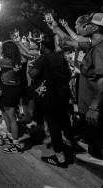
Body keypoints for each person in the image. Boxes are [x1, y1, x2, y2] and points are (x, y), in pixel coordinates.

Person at [29, 35, 75, 168]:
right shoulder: (61, 58)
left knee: (53, 125)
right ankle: (70, 143)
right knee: (64, 120)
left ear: (43, 46)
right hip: (63, 94)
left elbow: (33, 74)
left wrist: (31, 68)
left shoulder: (43, 58)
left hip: (50, 96)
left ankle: (60, 158)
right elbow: (68, 74)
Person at [77, 13, 103, 183]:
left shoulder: (102, 47)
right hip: (102, 109)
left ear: (95, 27)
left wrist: (94, 107)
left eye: (87, 24)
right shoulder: (96, 45)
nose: (84, 26)